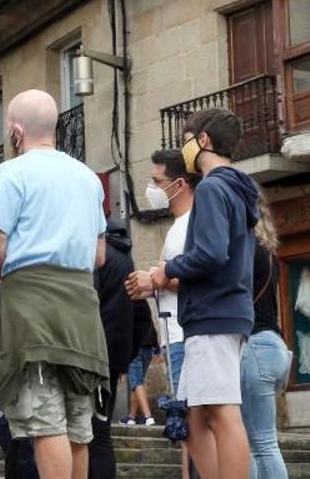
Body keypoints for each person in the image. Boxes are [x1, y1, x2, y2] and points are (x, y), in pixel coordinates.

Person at [0, 90, 109, 479]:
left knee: (46, 422)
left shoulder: (11, 172)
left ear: (16, 132)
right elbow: (100, 256)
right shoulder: (88, 178)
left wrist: (4, 276)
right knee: (79, 426)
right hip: (82, 310)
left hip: (32, 309)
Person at [131, 108, 259, 479]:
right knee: (191, 414)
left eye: (187, 139)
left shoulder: (215, 188)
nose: (183, 147)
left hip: (213, 313)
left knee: (222, 413)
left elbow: (212, 253)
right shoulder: (229, 188)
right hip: (215, 313)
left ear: (203, 141)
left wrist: (164, 272)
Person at [126, 147, 198, 479]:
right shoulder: (179, 226)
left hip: (185, 336)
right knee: (185, 424)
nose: (152, 189)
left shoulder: (187, 225)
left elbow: (198, 276)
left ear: (179, 184)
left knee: (192, 424)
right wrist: (153, 283)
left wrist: (156, 279)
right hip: (176, 338)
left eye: (157, 181)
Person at [242, 196, 292, 479]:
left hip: (255, 346)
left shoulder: (246, 248)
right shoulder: (267, 249)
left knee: (256, 442)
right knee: (265, 441)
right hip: (274, 345)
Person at [89, 218, 137, 479]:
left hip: (90, 355)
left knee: (89, 435)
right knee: (101, 433)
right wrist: (122, 361)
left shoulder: (98, 256)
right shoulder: (127, 260)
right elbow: (139, 316)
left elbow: (89, 302)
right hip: (112, 360)